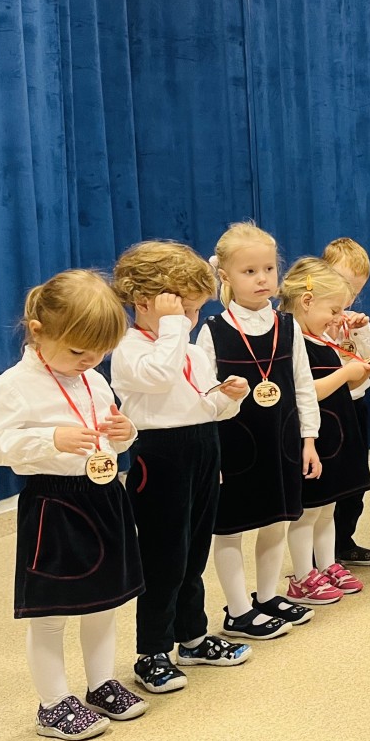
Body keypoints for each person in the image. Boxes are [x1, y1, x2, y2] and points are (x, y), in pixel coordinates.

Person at [0, 270, 147, 738]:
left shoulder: (92, 379)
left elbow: (112, 435)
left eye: (99, 353)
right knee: (50, 615)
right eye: (77, 351)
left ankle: (101, 684)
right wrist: (50, 438)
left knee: (104, 603)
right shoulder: (13, 385)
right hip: (54, 503)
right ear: (38, 331)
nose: (88, 361)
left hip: (103, 495)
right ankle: (52, 704)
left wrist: (124, 433)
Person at [111, 241, 252, 694]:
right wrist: (173, 327)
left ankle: (191, 637)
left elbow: (203, 403)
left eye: (193, 312)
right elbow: (158, 377)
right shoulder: (130, 348)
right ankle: (152, 651)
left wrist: (228, 398)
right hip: (160, 455)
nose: (189, 321)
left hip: (203, 447)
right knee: (163, 557)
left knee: (194, 552)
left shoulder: (188, 349)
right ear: (143, 302)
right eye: (182, 310)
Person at [196, 222, 321, 639]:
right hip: (233, 445)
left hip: (281, 440)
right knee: (230, 528)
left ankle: (266, 596)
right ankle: (237, 610)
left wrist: (309, 440)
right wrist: (210, 455)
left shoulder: (289, 325)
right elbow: (203, 395)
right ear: (225, 276)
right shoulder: (213, 331)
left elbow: (303, 385)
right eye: (249, 271)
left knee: (277, 522)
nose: (262, 278)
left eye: (268, 268)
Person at [283, 258, 370, 603]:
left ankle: (326, 564)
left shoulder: (320, 338)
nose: (338, 317)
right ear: (307, 301)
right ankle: (302, 575)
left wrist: (360, 374)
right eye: (333, 310)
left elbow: (338, 386)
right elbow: (306, 391)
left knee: (327, 508)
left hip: (334, 434)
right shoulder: (292, 340)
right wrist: (346, 373)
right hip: (313, 437)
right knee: (309, 511)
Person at [323, 237, 370, 567]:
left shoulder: (356, 320)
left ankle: (344, 541)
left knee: (355, 480)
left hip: (354, 405)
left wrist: (360, 333)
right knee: (326, 482)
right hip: (325, 410)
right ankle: (319, 552)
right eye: (342, 284)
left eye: (355, 290)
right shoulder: (311, 321)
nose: (348, 296)